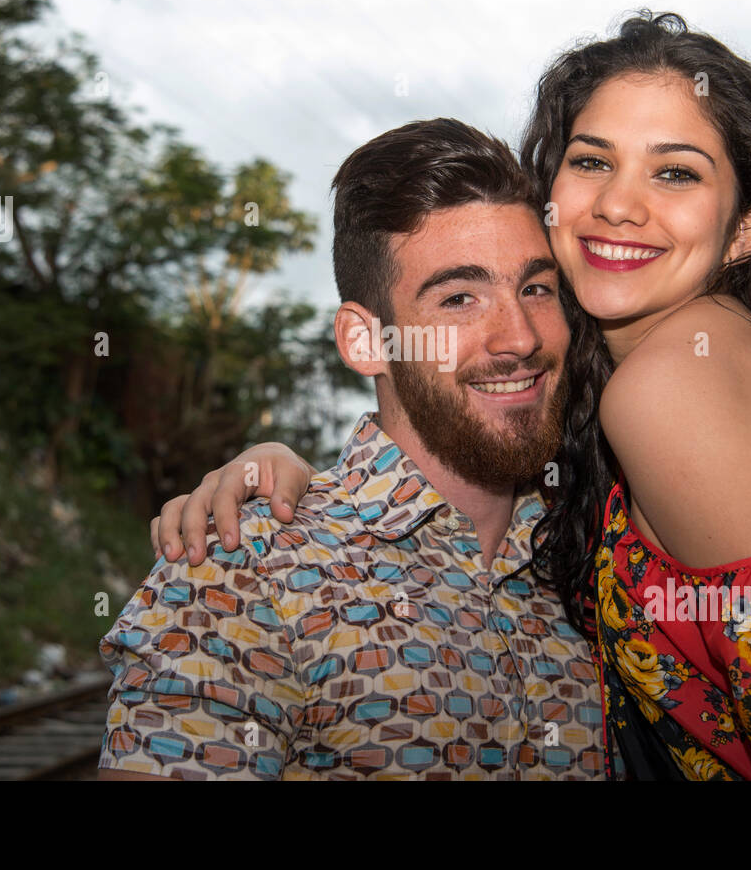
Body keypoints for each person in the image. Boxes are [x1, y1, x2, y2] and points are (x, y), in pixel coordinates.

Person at [160, 11, 751, 781]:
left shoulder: (674, 384)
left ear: (745, 229)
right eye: (593, 160)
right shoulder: (673, 375)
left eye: (675, 172)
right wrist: (298, 472)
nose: (620, 204)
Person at [98, 118, 606, 780]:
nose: (519, 337)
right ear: (366, 341)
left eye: (536, 288)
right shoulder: (241, 570)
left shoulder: (597, 562)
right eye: (459, 297)